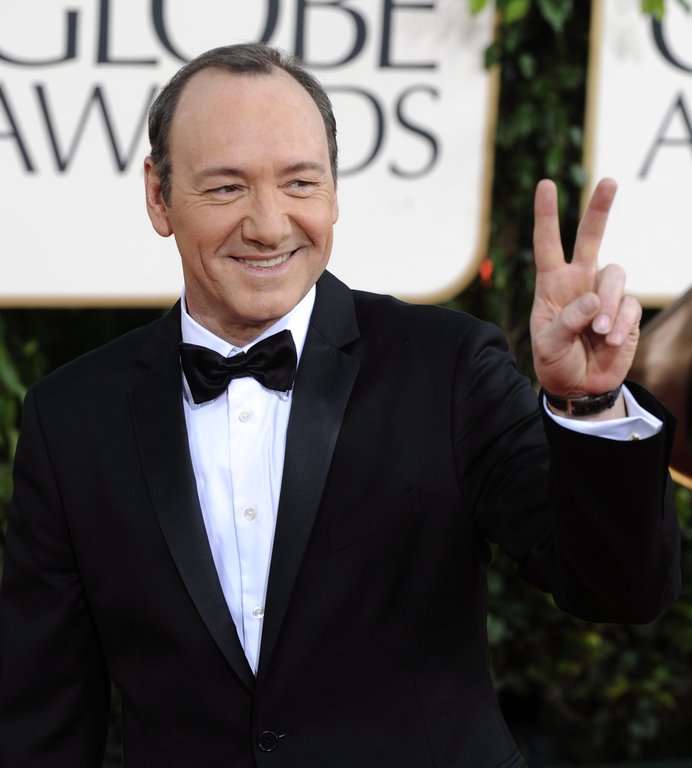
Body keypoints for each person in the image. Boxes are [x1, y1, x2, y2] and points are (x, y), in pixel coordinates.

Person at [0, 43, 681, 768]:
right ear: (159, 196)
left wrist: (588, 403)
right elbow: (43, 720)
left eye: (300, 182)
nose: (269, 225)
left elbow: (618, 588)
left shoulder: (445, 366)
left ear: (334, 191)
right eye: (226, 188)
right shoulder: (72, 420)